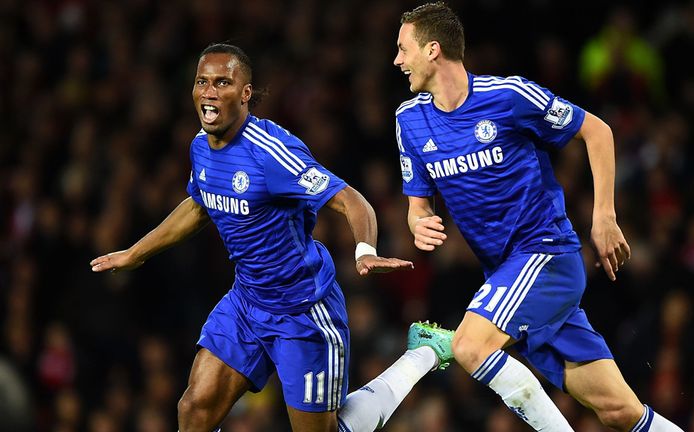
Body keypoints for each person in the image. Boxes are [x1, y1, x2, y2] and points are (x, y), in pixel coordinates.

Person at [90, 43, 455, 432]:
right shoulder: (201, 146)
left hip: (303, 311)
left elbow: (350, 199)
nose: (209, 92)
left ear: (245, 93)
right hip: (247, 302)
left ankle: (423, 354)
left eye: (222, 82)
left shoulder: (272, 152)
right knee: (194, 409)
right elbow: (199, 204)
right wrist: (136, 253)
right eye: (202, 82)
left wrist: (364, 249)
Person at [392, 3, 684, 432]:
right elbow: (418, 205)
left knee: (470, 347)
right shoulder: (409, 121)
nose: (397, 61)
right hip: (506, 276)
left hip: (545, 255)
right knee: (622, 412)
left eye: (403, 49)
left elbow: (596, 130)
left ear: (433, 50)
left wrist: (604, 215)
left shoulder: (508, 96)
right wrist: (418, 222)